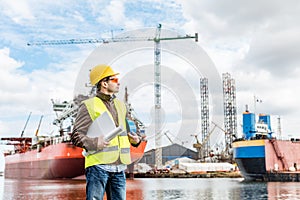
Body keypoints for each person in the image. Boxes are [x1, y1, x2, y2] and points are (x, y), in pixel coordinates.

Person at [71, 64, 141, 200]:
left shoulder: (121, 106)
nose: (118, 83)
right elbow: (75, 135)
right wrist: (95, 142)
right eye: (114, 80)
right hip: (98, 166)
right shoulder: (89, 105)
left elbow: (127, 131)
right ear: (104, 83)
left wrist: (136, 140)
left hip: (119, 168)